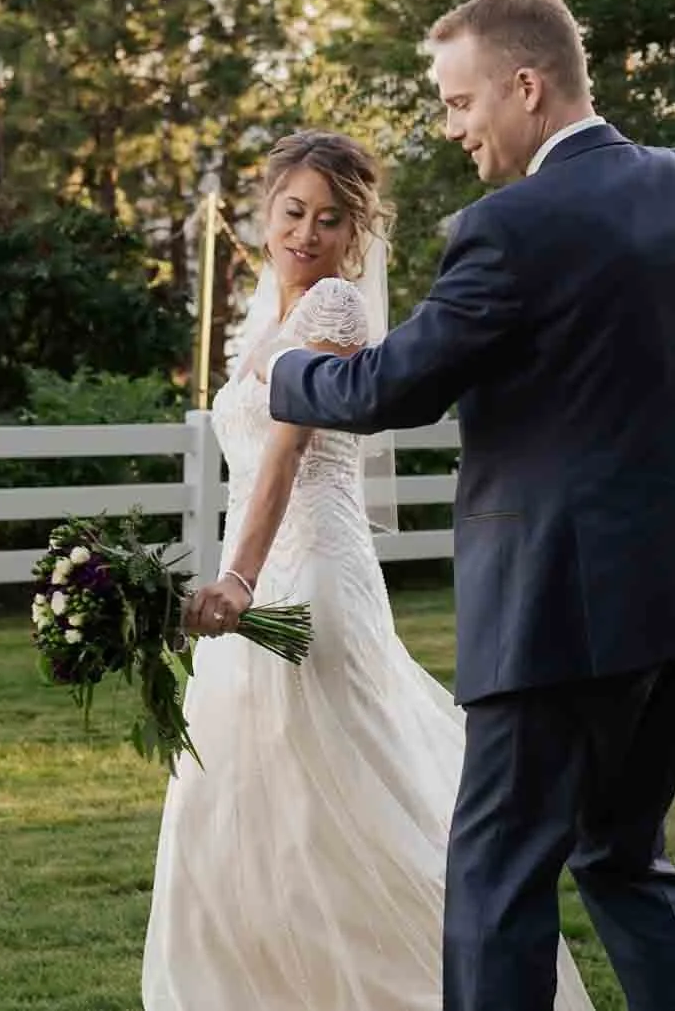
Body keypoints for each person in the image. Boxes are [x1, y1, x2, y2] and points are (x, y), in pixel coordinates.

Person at [265, 0, 675, 1010]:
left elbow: (387, 388)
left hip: (560, 604)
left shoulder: (510, 226)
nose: (455, 128)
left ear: (525, 87)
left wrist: (282, 370)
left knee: (497, 875)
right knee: (625, 856)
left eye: (460, 103)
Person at [141, 130, 593, 1010]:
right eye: (292, 212)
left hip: (307, 577)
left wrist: (238, 578)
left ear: (358, 233)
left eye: (330, 219)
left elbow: (282, 453)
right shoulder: (265, 311)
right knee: (243, 802)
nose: (306, 234)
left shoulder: (336, 309)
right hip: (256, 572)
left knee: (336, 803)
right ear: (265, 213)